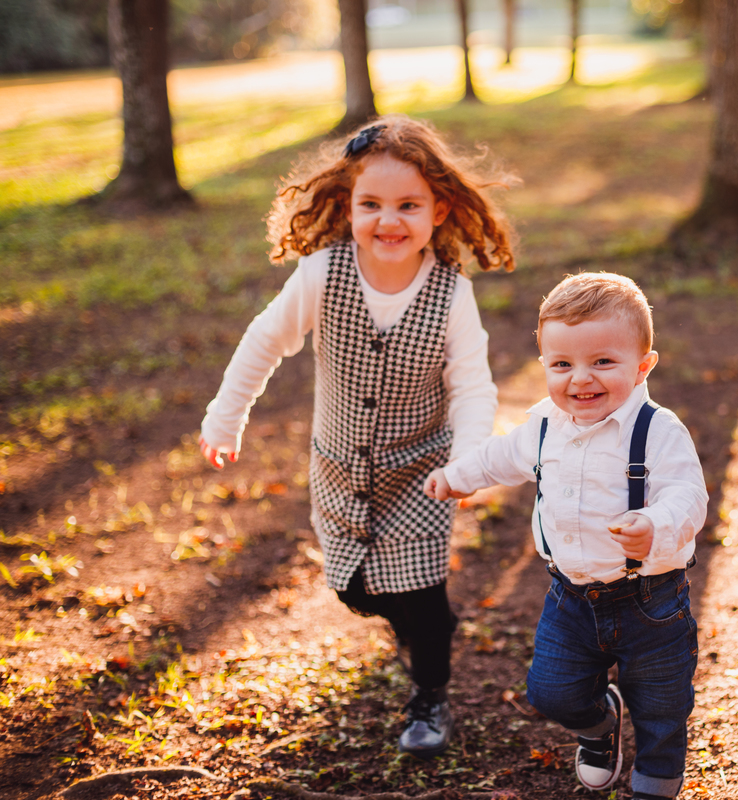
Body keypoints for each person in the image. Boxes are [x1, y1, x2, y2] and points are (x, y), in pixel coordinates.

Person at [197, 114, 515, 758]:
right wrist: (225, 417)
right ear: (347, 206)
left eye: (407, 205)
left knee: (422, 601)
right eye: (371, 204)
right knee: (355, 589)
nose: (388, 221)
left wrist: (467, 462)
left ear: (438, 209)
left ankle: (430, 695)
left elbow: (473, 387)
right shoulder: (322, 274)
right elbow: (264, 343)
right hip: (340, 471)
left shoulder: (451, 294)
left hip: (422, 476)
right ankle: (410, 620)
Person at [423, 272, 707, 800]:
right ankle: (599, 727)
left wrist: (654, 525)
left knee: (663, 707)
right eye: (562, 364)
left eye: (602, 362)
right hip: (571, 599)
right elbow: (500, 456)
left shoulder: (659, 431)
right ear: (545, 367)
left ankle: (655, 784)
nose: (581, 379)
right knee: (552, 692)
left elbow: (689, 496)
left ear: (643, 365)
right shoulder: (545, 425)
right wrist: (455, 477)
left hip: (652, 601)